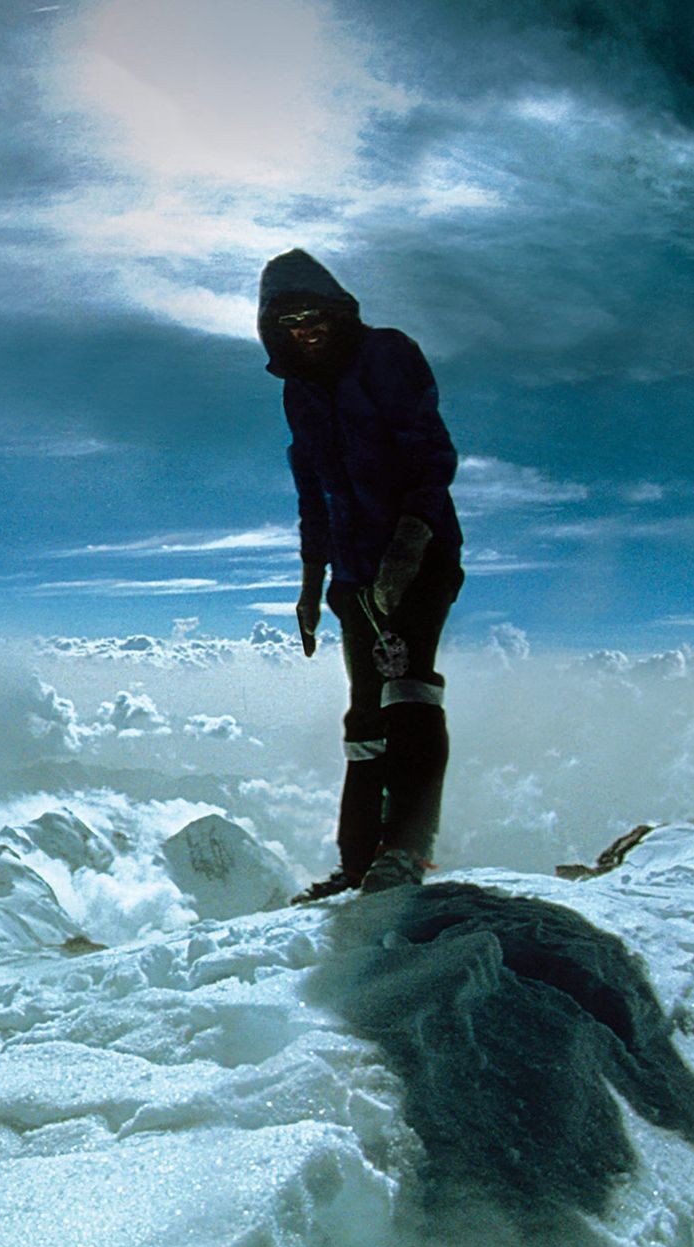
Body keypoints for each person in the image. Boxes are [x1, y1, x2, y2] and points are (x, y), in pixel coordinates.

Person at [257, 249, 465, 899]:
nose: (305, 330)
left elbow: (431, 453)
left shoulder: (386, 355)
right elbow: (312, 489)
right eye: (289, 322)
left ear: (337, 311)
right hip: (353, 574)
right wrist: (311, 582)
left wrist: (409, 544)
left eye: (314, 315)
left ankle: (404, 852)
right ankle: (358, 864)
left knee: (409, 691)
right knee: (365, 713)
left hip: (419, 556)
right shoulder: (298, 391)